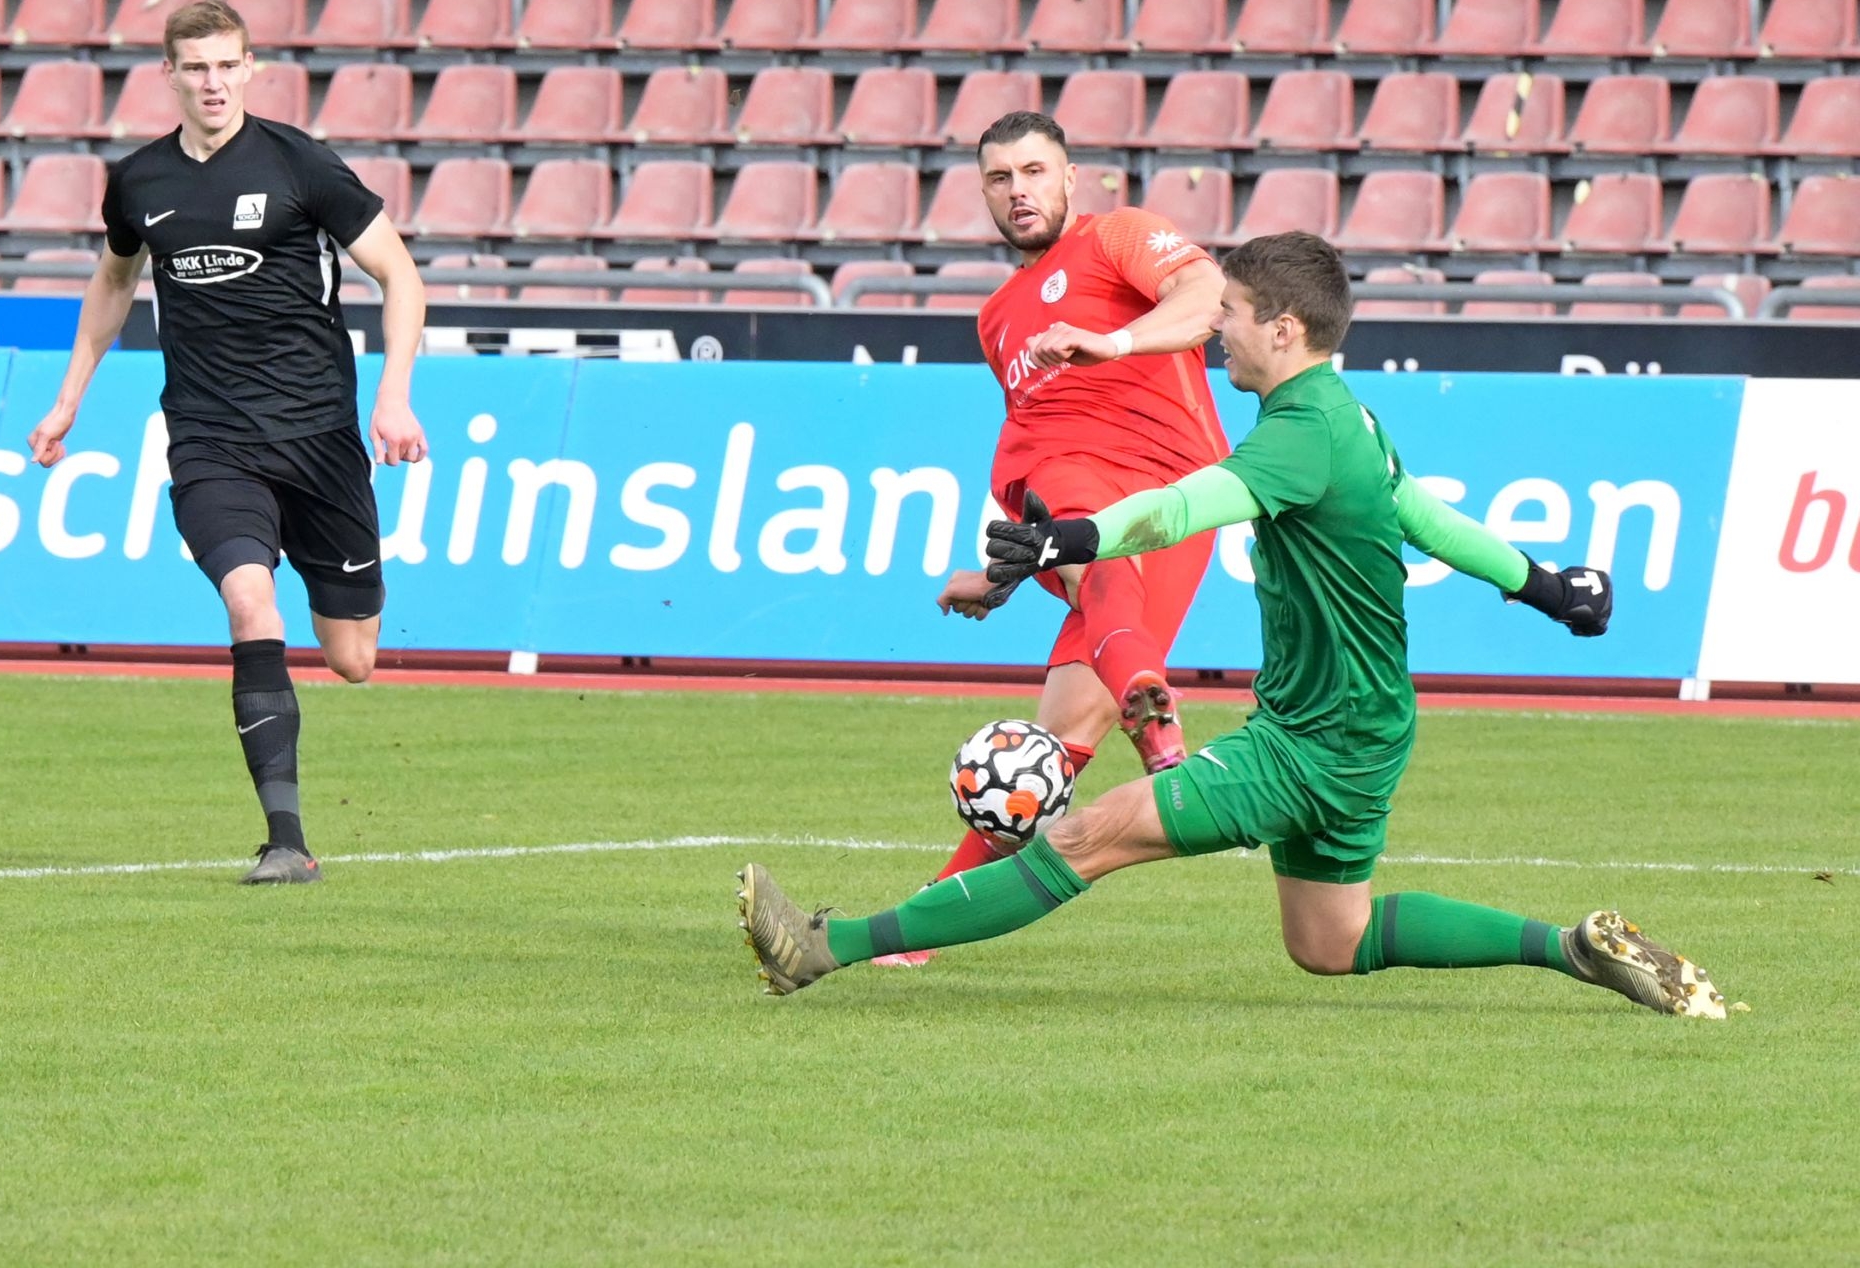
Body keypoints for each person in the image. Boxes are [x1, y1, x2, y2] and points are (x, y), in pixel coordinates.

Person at [739, 231, 1729, 1020]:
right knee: (1328, 942)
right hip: (1367, 729)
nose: (1219, 333)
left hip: (1311, 738)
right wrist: (1549, 588)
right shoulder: (1351, 416)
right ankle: (1575, 946)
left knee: (1081, 832)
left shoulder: (1300, 435)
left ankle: (822, 945)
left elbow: (1177, 508)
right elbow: (1425, 516)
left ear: (1288, 330)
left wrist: (1069, 535)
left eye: (1234, 316)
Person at [25, 0, 428, 885]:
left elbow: (400, 273)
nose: (212, 82)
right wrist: (67, 402)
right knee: (250, 602)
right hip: (210, 440)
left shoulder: (300, 165)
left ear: (250, 69)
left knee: (353, 658)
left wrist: (393, 396)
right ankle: (286, 840)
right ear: (167, 75)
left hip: (320, 438)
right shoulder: (138, 181)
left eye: (226, 66)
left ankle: (304, 773)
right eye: (195, 67)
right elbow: (114, 282)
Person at [882, 111, 1231, 964]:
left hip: (1171, 494)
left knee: (1054, 740)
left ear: (1071, 177)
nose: (1019, 191)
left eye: (1035, 172)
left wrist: (1110, 342)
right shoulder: (997, 315)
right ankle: (923, 926)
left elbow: (1207, 298)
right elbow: (1032, 438)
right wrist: (1003, 576)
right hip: (1065, 500)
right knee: (1046, 751)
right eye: (1000, 179)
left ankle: (1144, 707)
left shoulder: (1121, 236)